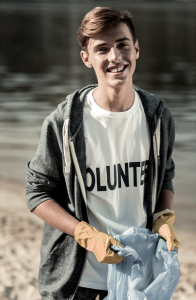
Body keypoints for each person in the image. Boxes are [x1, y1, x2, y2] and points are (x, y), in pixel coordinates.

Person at [26, 7, 179, 300]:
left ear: (136, 49)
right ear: (87, 58)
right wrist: (85, 235)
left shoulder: (157, 118)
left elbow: (166, 178)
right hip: (80, 282)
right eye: (102, 49)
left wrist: (164, 218)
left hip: (138, 275)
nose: (114, 57)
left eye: (122, 45)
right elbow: (37, 194)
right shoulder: (64, 124)